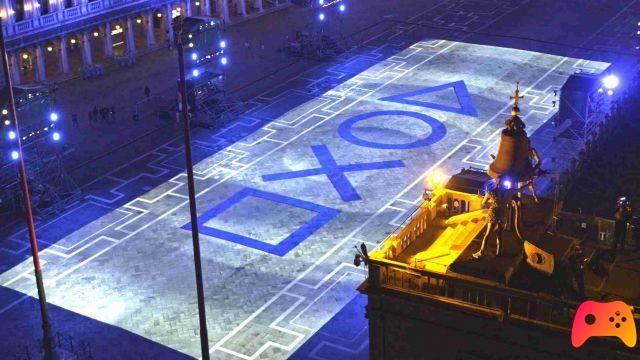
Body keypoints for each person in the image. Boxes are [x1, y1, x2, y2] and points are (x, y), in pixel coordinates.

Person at [473, 182, 504, 258]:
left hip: (493, 212)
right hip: (502, 213)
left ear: (496, 184)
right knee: (499, 234)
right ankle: (498, 252)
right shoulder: (505, 192)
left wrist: (490, 205)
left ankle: (481, 252)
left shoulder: (491, 191)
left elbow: (483, 202)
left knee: (488, 233)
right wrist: (528, 185)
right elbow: (517, 190)